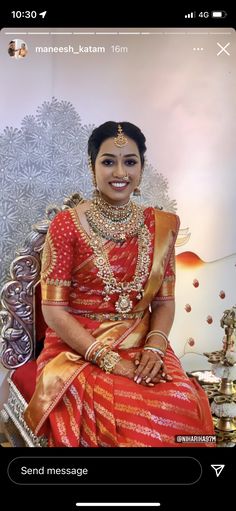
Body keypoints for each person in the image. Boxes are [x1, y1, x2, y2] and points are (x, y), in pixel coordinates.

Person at [24, 121, 215, 447]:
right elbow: (53, 311)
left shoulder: (162, 225)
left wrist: (155, 347)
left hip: (143, 343)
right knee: (127, 418)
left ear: (141, 166)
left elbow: (165, 304)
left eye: (130, 161)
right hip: (78, 349)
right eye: (108, 160)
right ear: (92, 165)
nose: (120, 172)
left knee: (182, 401)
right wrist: (109, 360)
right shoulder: (67, 225)